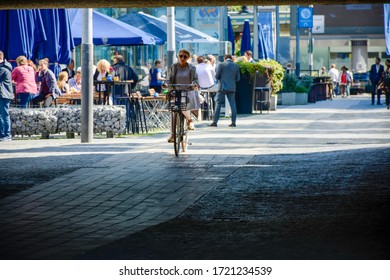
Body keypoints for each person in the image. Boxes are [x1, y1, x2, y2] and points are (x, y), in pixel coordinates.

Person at [166, 49, 200, 143]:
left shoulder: (192, 68)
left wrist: (195, 84)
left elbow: (195, 79)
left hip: (188, 92)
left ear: (188, 58)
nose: (182, 58)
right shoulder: (173, 67)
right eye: (181, 56)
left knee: (183, 106)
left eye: (185, 57)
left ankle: (189, 120)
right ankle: (173, 134)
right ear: (178, 56)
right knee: (173, 112)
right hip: (176, 92)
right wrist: (167, 85)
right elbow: (169, 79)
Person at [208, 54, 240, 127]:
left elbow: (217, 76)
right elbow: (238, 78)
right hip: (232, 88)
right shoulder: (236, 66)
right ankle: (233, 122)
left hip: (222, 88)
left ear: (225, 58)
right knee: (233, 105)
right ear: (231, 58)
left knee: (218, 104)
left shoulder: (221, 65)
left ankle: (215, 122)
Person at [0, 50, 14, 142]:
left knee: (4, 115)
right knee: (2, 115)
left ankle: (7, 134)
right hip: (4, 94)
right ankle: (2, 134)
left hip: (4, 95)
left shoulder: (3, 69)